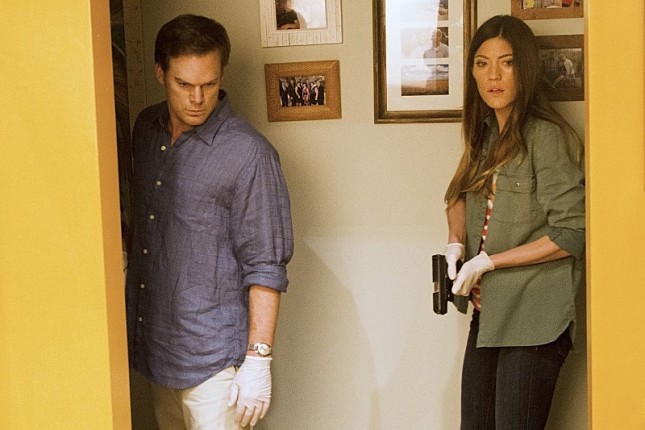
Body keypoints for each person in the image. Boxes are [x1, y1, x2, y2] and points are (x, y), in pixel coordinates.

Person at [125, 14, 294, 430]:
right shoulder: (146, 129)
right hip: (156, 349)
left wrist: (258, 358)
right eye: (184, 84)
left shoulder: (249, 154)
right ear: (160, 73)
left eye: (209, 84)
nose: (198, 98)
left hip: (215, 361)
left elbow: (265, 264)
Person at [442, 15, 584, 429]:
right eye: (482, 63)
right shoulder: (484, 134)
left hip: (535, 320)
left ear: (526, 68)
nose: (494, 76)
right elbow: (457, 195)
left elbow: (572, 232)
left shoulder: (548, 136)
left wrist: (489, 262)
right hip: (489, 316)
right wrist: (455, 242)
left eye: (507, 63)